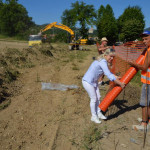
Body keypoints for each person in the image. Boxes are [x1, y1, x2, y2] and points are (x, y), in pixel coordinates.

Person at [82, 48, 125, 124]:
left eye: (113, 57)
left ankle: (98, 113)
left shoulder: (103, 61)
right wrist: (120, 83)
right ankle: (94, 116)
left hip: (93, 82)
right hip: (87, 82)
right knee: (94, 99)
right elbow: (108, 75)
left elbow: (106, 72)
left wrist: (115, 76)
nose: (112, 58)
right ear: (105, 55)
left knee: (98, 97)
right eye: (110, 56)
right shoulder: (103, 61)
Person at [129, 30, 150, 131]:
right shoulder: (148, 49)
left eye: (146, 39)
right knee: (148, 102)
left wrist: (134, 64)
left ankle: (144, 124)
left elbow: (145, 67)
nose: (144, 41)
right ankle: (148, 121)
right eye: (143, 39)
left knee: (144, 103)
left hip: (148, 82)